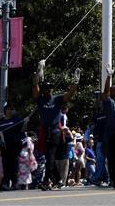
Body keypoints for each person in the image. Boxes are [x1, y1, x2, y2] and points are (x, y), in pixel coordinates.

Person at [32, 62, 79, 190]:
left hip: (54, 132)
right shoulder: (40, 99)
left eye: (50, 89)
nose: (48, 90)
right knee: (48, 157)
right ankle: (58, 179)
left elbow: (69, 95)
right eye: (46, 88)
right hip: (44, 131)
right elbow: (35, 84)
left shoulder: (57, 99)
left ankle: (46, 181)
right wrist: (38, 70)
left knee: (50, 156)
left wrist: (75, 83)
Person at [0, 103, 23, 190]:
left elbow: (23, 128)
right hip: (4, 147)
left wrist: (26, 122)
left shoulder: (17, 120)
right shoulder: (0, 122)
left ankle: (15, 183)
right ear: (5, 111)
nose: (11, 111)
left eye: (12, 109)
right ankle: (5, 183)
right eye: (9, 109)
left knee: (15, 165)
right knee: (5, 165)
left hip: (15, 146)